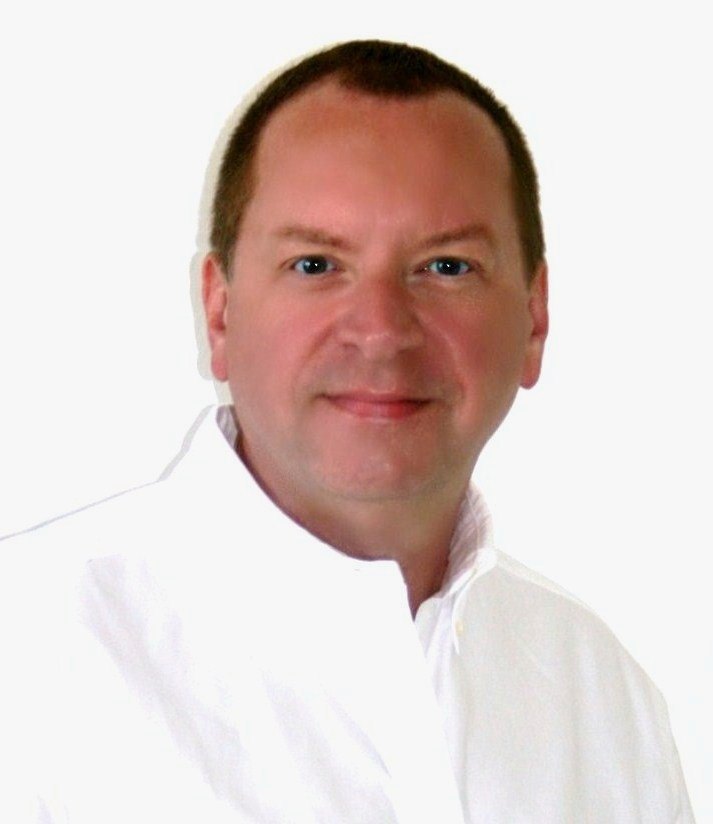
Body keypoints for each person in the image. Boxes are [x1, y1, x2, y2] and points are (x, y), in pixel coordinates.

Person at [0, 40, 694, 823]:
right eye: (314, 265)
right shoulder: (21, 658)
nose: (381, 330)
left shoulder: (605, 703)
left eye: (446, 266)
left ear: (533, 319)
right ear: (219, 312)